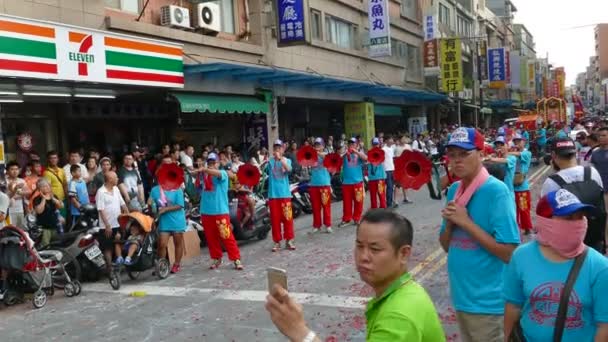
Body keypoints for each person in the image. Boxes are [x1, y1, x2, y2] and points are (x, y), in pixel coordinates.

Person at [265, 210, 445, 342]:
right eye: (360, 246)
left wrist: (300, 332)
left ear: (404, 254)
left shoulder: (399, 316)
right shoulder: (405, 291)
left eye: (375, 249)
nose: (363, 257)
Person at [439, 127, 520, 342]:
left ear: (482, 154)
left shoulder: (497, 191)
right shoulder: (454, 190)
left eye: (464, 154)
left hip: (488, 304)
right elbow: (447, 245)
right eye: (453, 155)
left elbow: (509, 253)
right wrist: (449, 225)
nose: (457, 161)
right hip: (461, 298)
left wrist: (466, 223)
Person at [504, 189, 608, 341]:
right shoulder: (521, 256)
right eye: (569, 217)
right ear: (545, 222)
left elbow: (604, 325)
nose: (577, 224)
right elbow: (513, 305)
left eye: (580, 217)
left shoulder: (600, 267)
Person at [544, 137, 606, 253]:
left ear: (553, 155)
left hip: (568, 241)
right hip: (595, 235)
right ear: (575, 152)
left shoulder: (551, 182)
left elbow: (547, 215)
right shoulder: (592, 172)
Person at [197, 153, 243, 270]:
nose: (212, 165)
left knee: (226, 235)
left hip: (220, 211)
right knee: (211, 237)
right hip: (206, 211)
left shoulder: (222, 174)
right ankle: (216, 257)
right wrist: (197, 173)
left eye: (214, 162)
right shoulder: (205, 175)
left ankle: (236, 258)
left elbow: (216, 173)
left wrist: (205, 169)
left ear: (218, 163)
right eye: (210, 163)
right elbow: (197, 187)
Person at [149, 161, 188, 274]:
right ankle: (161, 264)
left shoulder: (177, 189)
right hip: (164, 221)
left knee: (177, 242)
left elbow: (180, 205)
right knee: (162, 244)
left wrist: (165, 209)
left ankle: (176, 264)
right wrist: (150, 205)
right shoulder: (155, 189)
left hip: (177, 220)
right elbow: (152, 204)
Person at [96, 171, 129, 271]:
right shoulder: (101, 192)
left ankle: (118, 262)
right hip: (106, 225)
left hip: (118, 223)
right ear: (110, 180)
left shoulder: (116, 189)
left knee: (118, 242)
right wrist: (107, 225)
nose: (118, 179)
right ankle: (109, 267)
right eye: (116, 177)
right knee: (107, 247)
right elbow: (100, 209)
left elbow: (122, 203)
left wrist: (127, 213)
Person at [266, 140, 295, 252]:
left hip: (284, 194)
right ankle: (277, 241)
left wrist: (280, 159)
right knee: (275, 220)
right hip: (273, 195)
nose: (277, 150)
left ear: (283, 149)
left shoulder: (287, 160)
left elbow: (288, 169)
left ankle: (289, 240)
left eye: (279, 148)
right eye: (275, 148)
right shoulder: (269, 162)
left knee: (288, 218)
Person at [339, 138, 368, 227]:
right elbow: (337, 159)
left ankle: (357, 218)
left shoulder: (358, 154)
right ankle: (346, 219)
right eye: (350, 144)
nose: (351, 145)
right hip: (346, 182)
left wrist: (356, 151)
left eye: (353, 144)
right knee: (347, 202)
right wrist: (344, 152)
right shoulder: (344, 154)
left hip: (357, 182)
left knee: (358, 201)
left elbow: (366, 158)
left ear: (356, 145)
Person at [510, 135, 533, 234]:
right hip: (512, 187)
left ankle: (527, 227)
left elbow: (519, 154)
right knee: (513, 210)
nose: (517, 143)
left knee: (523, 209)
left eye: (519, 141)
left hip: (522, 188)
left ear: (524, 142)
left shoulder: (527, 153)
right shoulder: (512, 154)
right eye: (515, 142)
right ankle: (515, 228)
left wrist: (508, 152)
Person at [308, 138, 332, 234]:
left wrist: (317, 152)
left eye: (319, 145)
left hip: (324, 183)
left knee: (326, 206)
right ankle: (317, 225)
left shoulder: (326, 154)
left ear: (323, 146)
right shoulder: (312, 156)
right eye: (316, 145)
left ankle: (328, 225)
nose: (317, 147)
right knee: (316, 207)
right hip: (314, 184)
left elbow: (328, 159)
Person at [33, 178, 64, 248]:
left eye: (48, 186)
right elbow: (39, 211)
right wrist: (44, 198)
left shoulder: (54, 197)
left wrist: (52, 198)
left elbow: (61, 206)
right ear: (39, 189)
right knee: (45, 246)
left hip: (55, 226)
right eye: (44, 186)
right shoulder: (37, 199)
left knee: (57, 245)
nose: (47, 188)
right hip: (44, 228)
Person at [43, 150, 67, 218]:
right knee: (57, 218)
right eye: (51, 158)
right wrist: (52, 199)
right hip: (53, 200)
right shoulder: (46, 173)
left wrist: (67, 197)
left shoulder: (62, 170)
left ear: (58, 159)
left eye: (55, 158)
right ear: (48, 160)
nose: (53, 160)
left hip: (63, 199)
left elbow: (65, 184)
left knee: (63, 218)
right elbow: (47, 188)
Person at [6, 161, 30, 228]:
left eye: (16, 169)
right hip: (8, 211)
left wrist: (20, 193)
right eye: (12, 169)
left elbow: (28, 192)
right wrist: (16, 191)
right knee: (10, 230)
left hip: (20, 210)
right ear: (7, 171)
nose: (15, 171)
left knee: (20, 230)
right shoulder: (4, 181)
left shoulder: (21, 181)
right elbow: (6, 196)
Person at [67, 164, 90, 229]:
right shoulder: (72, 183)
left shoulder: (82, 181)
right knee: (77, 227)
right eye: (78, 171)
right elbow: (72, 198)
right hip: (78, 211)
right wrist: (80, 208)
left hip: (86, 208)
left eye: (80, 171)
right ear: (73, 173)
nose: (80, 172)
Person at [368, 138, 387, 209]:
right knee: (373, 195)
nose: (375, 145)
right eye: (374, 144)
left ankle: (383, 208)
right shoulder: (369, 152)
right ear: (372, 144)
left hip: (380, 177)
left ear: (379, 144)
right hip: (372, 178)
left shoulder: (382, 151)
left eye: (377, 144)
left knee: (381, 194)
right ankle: (374, 209)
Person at [382, 136, 396, 208]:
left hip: (392, 169)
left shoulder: (392, 148)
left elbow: (392, 159)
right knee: (389, 187)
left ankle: (391, 201)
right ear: (387, 140)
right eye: (390, 139)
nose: (392, 140)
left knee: (392, 187)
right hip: (386, 170)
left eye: (392, 139)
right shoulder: (383, 149)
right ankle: (389, 203)